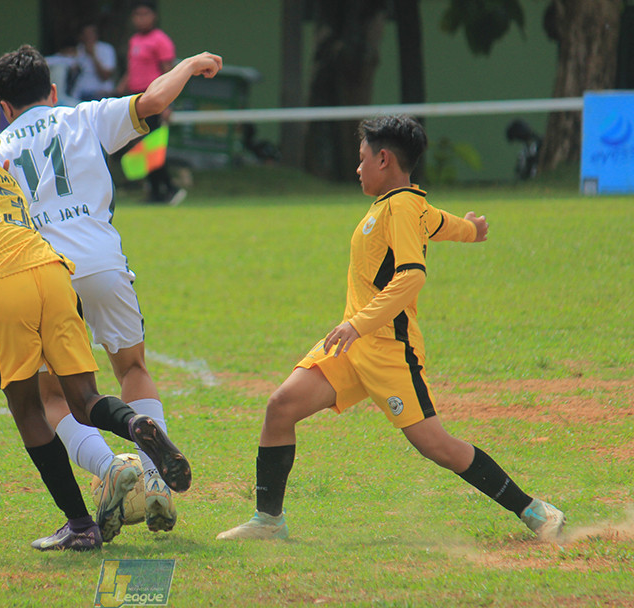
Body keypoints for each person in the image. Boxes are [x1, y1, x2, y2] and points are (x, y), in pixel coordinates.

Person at [217, 115, 566, 543]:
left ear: (384, 159)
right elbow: (437, 221)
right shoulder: (403, 203)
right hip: (351, 347)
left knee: (437, 446)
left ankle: (534, 510)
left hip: (388, 351)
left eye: (363, 158)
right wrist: (471, 230)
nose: (358, 168)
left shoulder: (400, 206)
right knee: (281, 407)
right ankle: (268, 521)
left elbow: (411, 275)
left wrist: (357, 323)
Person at [0, 92, 191, 552]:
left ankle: (81, 525)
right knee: (84, 398)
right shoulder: (6, 176)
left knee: (29, 408)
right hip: (53, 273)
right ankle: (134, 426)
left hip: (6, 286)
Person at [0, 45, 220, 542]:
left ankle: (112, 469)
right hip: (103, 263)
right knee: (132, 368)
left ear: (2, 107)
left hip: (43, 273)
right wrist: (189, 64)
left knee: (53, 395)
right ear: (52, 91)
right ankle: (155, 480)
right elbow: (155, 100)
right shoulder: (85, 117)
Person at [117, 1, 184, 204]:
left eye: (145, 14)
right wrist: (122, 88)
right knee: (143, 146)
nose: (141, 19)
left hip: (153, 98)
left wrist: (168, 103)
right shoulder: (134, 40)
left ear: (153, 16)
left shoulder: (160, 40)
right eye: (137, 15)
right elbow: (133, 69)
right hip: (136, 97)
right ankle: (156, 191)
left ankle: (169, 188)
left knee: (152, 146)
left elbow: (168, 73)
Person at [72, 22, 117, 101]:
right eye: (85, 35)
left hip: (101, 93)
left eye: (91, 34)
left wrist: (93, 56)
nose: (88, 37)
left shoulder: (106, 49)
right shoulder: (78, 50)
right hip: (81, 94)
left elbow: (105, 76)